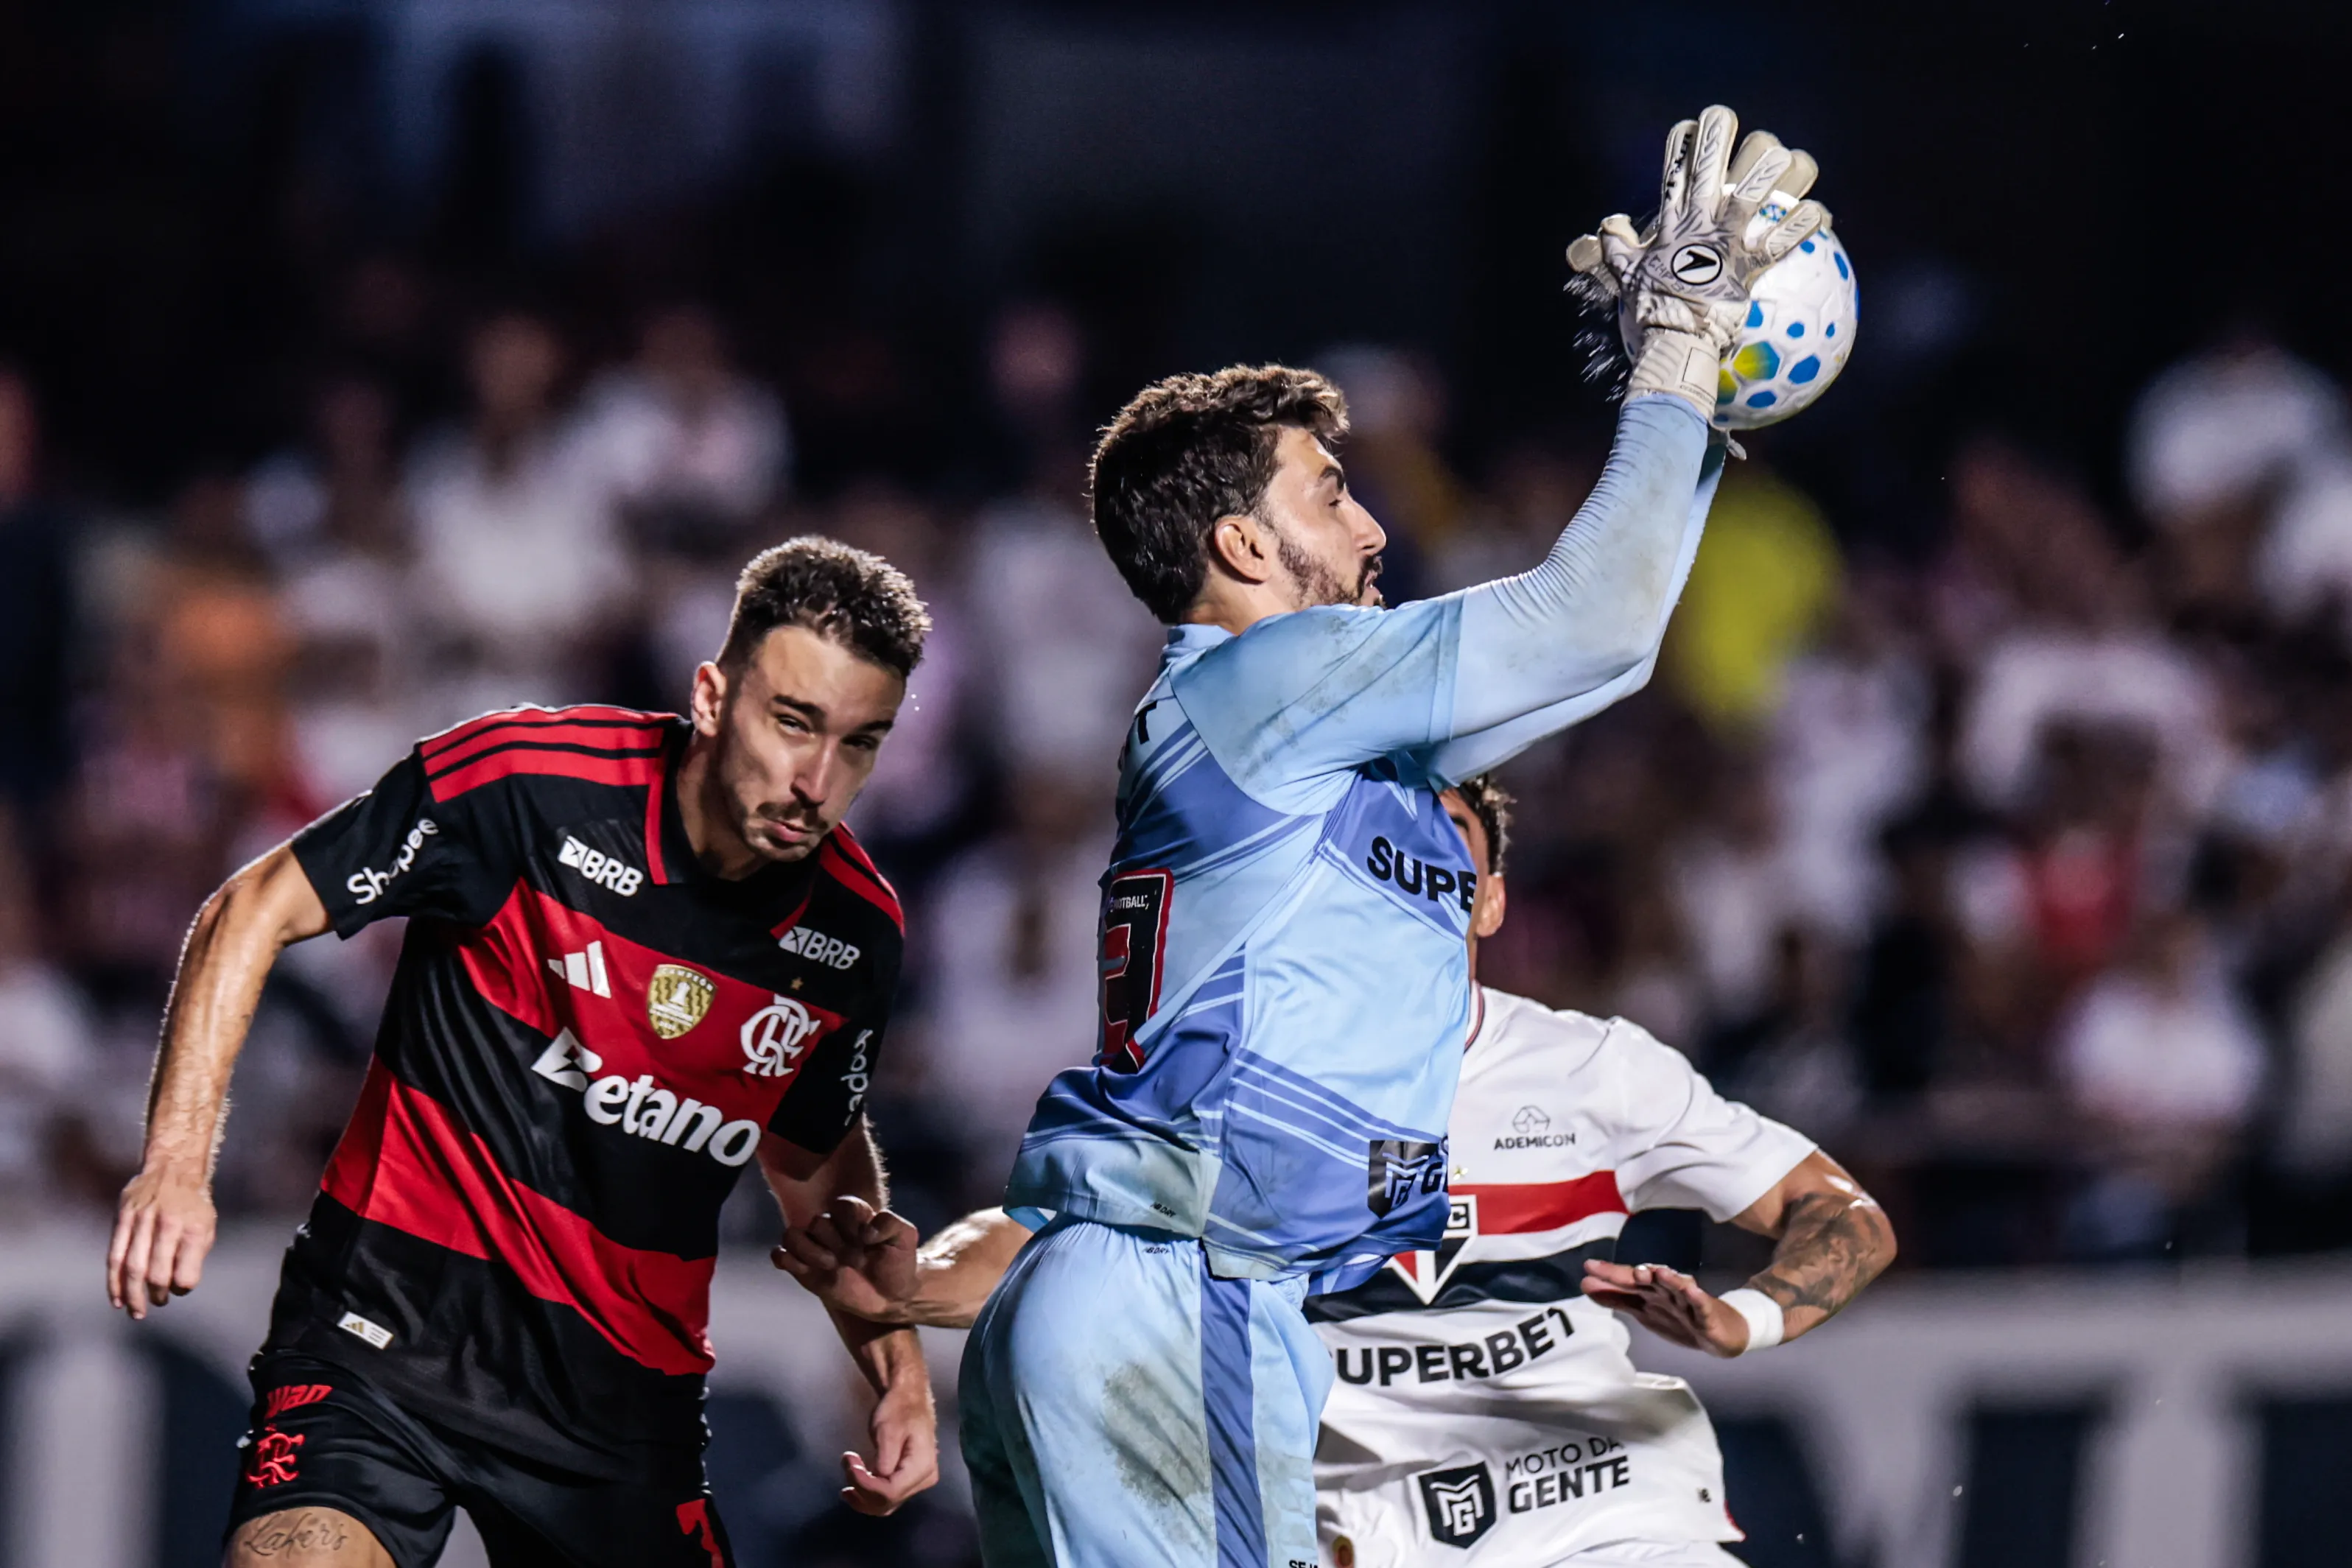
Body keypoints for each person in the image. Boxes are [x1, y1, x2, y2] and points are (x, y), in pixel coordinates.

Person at [781, 106, 1832, 1568]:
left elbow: (1609, 649)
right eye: (1331, 492)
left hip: (1143, 1287)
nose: (1374, 525)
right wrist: (1672, 360)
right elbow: (1587, 616)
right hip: (1186, 1290)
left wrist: (1692, 405)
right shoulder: (1264, 680)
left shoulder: (1326, 735)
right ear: (1243, 548)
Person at [778, 781, 1895, 1568]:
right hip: (1351, 1535)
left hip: (1606, 1513)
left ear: (1492, 898)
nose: (1422, 862)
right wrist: (917, 1282)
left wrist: (1743, 1319)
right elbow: (1046, 1240)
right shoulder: (1224, 1078)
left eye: (1452, 837)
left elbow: (1839, 1214)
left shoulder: (1595, 1068)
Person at [105, 539, 941, 1566]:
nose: (818, 781)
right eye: (794, 722)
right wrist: (178, 1167)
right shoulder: (524, 785)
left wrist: (896, 1368)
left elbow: (814, 1168)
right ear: (714, 696)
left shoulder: (854, 933)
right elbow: (253, 907)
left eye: (861, 743)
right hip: (384, 1345)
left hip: (622, 1415)